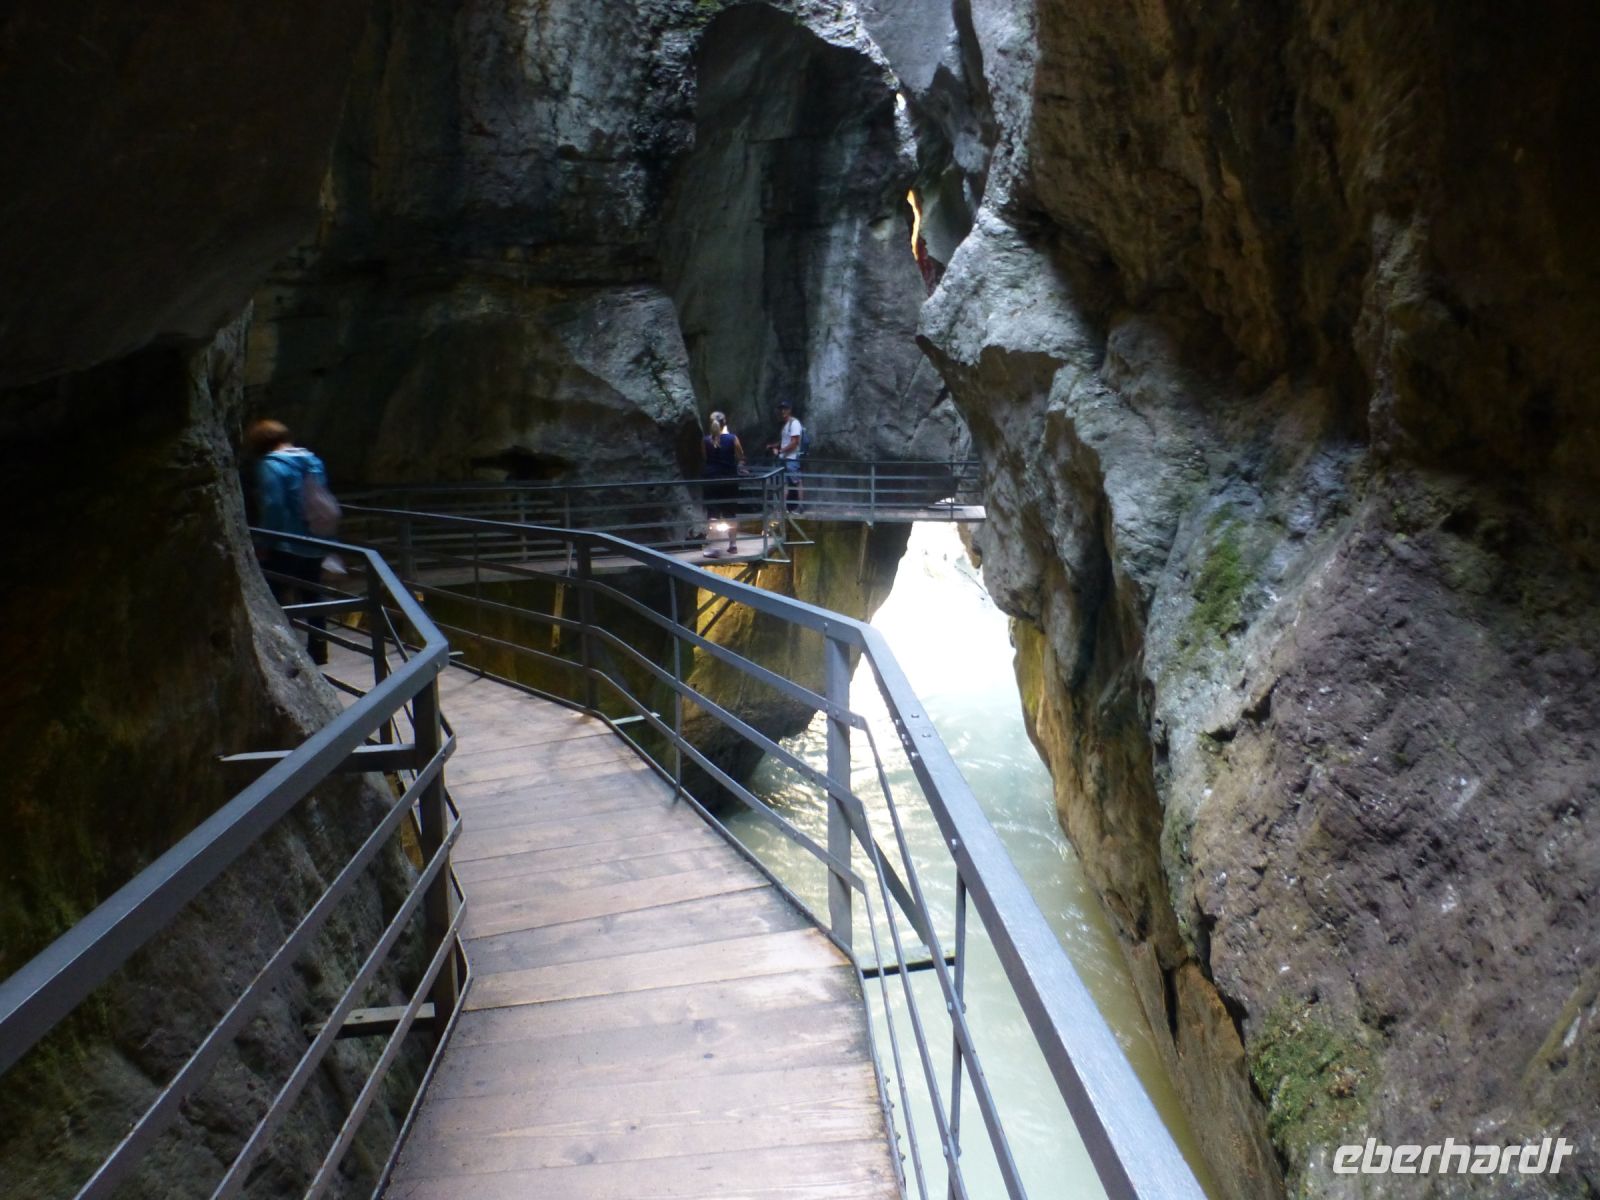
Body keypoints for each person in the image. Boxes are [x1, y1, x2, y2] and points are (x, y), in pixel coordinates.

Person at [246, 419, 332, 665]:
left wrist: (265, 539)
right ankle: (318, 650)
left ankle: (283, 653)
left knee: (275, 598)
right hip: (315, 540)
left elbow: (273, 505)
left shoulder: (270, 465)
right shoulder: (312, 461)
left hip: (285, 542)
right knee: (312, 596)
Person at [700, 411, 744, 557]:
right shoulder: (732, 438)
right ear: (725, 423)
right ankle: (732, 545)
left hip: (711, 480)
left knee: (712, 514)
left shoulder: (706, 440)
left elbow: (705, 459)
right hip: (729, 480)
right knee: (730, 513)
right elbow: (741, 456)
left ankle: (714, 547)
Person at [766, 401, 804, 512]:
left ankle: (800, 507)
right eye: (781, 409)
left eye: (785, 409)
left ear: (790, 410)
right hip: (784, 458)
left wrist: (779, 451)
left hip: (792, 458)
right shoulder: (786, 425)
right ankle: (784, 508)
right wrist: (773, 446)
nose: (782, 411)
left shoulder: (794, 423)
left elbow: (794, 442)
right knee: (784, 483)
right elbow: (785, 441)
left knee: (796, 481)